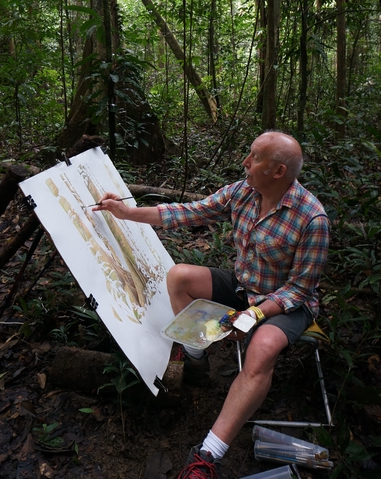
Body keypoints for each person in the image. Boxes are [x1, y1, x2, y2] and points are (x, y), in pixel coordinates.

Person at [93, 131, 330, 479]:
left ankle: (208, 455)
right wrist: (126, 213)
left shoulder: (312, 219)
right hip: (244, 285)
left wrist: (253, 316)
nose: (245, 163)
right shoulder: (243, 191)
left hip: (286, 305)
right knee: (179, 277)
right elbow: (189, 212)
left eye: (255, 157)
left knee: (262, 348)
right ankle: (196, 359)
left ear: (278, 171)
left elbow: (298, 289)